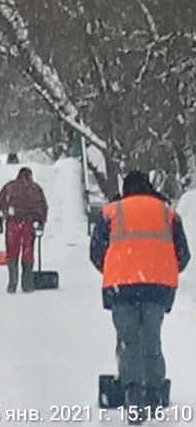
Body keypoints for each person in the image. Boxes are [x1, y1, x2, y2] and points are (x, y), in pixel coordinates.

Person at [90, 170, 190, 425]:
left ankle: (133, 397)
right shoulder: (167, 212)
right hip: (157, 287)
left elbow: (96, 250)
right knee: (151, 340)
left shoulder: (112, 211)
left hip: (121, 285)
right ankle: (155, 394)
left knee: (128, 341)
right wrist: (162, 268)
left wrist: (114, 268)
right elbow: (183, 253)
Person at [0, 167, 48, 293]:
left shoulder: (9, 187)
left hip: (12, 223)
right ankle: (27, 284)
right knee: (27, 252)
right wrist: (40, 223)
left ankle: (12, 282)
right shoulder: (35, 189)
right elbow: (42, 207)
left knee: (12, 252)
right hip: (28, 224)